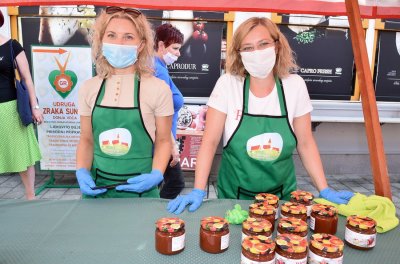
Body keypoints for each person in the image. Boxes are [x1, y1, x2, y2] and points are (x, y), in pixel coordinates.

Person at [167, 17, 354, 214]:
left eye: (263, 44)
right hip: (234, 199)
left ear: (277, 45)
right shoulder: (228, 85)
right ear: (239, 54)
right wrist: (197, 190)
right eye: (247, 48)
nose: (256, 53)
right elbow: (209, 142)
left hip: (282, 201)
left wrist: (323, 188)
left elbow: (305, 143)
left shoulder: (294, 86)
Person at [75, 7, 173, 198]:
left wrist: (157, 173)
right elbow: (87, 139)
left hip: (142, 192)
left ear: (141, 45)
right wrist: (81, 170)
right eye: (111, 35)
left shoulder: (158, 89)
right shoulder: (88, 88)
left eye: (128, 37)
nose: (119, 43)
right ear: (101, 40)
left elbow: (163, 141)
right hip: (97, 191)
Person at [0, 10, 43, 200]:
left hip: (10, 109)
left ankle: (30, 196)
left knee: (22, 156)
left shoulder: (12, 46)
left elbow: (27, 79)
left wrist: (35, 107)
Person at [154, 23, 185, 199]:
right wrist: (172, 145)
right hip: (161, 142)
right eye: (175, 48)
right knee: (175, 183)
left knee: (156, 183)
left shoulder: (159, 66)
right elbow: (159, 113)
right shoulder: (158, 70)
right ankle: (160, 218)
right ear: (160, 45)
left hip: (162, 140)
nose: (178, 53)